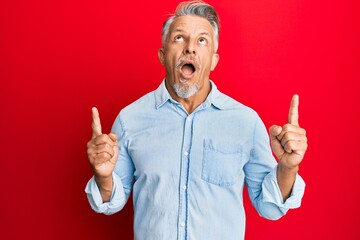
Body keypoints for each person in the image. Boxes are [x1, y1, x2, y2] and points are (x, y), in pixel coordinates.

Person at [85, 1, 307, 239]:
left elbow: (270, 207)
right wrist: (104, 176)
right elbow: (110, 203)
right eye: (179, 38)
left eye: (202, 40)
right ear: (162, 55)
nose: (190, 48)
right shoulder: (130, 119)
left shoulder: (246, 122)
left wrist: (288, 167)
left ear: (213, 60)